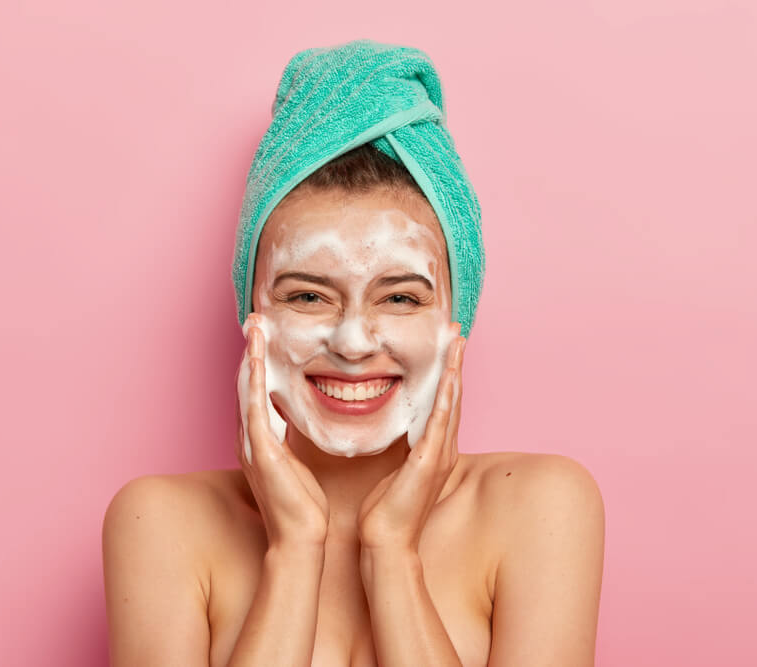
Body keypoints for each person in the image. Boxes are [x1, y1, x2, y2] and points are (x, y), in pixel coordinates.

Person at [103, 40, 604, 667]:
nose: (353, 342)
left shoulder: (541, 507)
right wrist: (294, 550)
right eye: (309, 295)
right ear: (252, 315)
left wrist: (392, 552)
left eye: (399, 298)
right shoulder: (160, 526)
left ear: (456, 321)